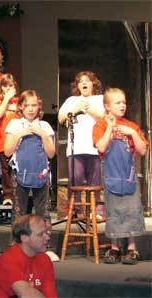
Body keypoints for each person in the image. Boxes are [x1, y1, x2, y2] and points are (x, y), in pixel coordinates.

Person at [93, 88, 148, 265]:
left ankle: (132, 248)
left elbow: (143, 150)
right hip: (111, 174)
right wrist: (110, 127)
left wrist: (132, 133)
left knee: (132, 209)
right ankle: (115, 247)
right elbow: (101, 147)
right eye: (118, 102)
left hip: (128, 174)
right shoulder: (101, 125)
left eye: (124, 102)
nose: (122, 105)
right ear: (107, 106)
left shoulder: (132, 126)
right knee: (114, 209)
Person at [4, 90, 55, 226]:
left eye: (34, 105)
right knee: (19, 212)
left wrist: (42, 135)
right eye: (27, 105)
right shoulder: (14, 124)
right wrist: (19, 134)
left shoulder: (45, 126)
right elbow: (7, 151)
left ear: (39, 106)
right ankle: (17, 245)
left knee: (43, 212)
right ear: (20, 106)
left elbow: (51, 154)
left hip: (40, 173)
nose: (31, 109)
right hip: (19, 172)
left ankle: (43, 244)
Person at [58, 71, 105, 217]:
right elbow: (61, 118)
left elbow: (104, 117)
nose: (84, 83)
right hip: (76, 148)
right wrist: (77, 108)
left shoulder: (99, 99)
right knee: (75, 180)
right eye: (81, 81)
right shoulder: (72, 100)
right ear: (77, 86)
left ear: (93, 84)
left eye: (87, 80)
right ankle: (75, 211)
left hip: (95, 147)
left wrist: (88, 109)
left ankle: (96, 211)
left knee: (95, 181)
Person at [0, 215, 58, 298]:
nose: (48, 237)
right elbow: (26, 294)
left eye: (46, 232)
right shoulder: (9, 259)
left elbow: (51, 295)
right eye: (40, 234)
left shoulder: (45, 259)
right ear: (24, 238)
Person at [0, 75, 20, 203]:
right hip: (3, 140)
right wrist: (7, 98)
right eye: (5, 85)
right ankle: (8, 196)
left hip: (18, 141)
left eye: (10, 85)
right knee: (5, 169)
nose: (8, 88)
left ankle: (19, 194)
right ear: (1, 88)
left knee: (18, 168)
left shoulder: (20, 101)